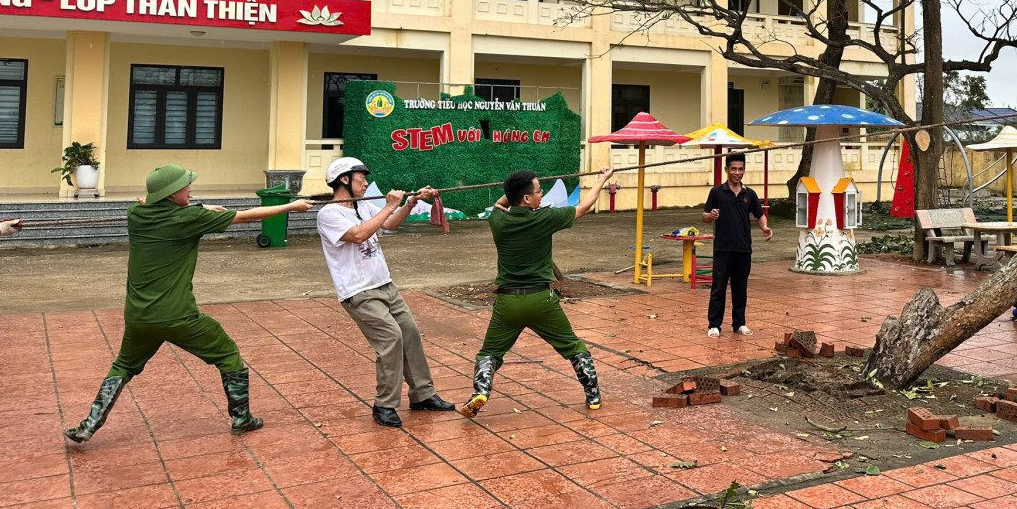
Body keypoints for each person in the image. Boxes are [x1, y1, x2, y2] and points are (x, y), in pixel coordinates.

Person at [64, 165, 312, 445]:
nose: (190, 189)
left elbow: (164, 207)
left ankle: (89, 423)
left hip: (139, 317)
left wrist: (205, 207)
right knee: (229, 355)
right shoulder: (190, 218)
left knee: (123, 366)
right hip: (178, 315)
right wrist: (292, 206)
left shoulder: (136, 214)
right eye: (186, 187)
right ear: (171, 194)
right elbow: (245, 217)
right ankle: (242, 418)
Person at [460, 166, 617, 418]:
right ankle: (594, 396)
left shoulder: (497, 220)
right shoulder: (544, 218)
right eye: (537, 191)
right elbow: (584, 207)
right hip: (541, 301)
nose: (541, 195)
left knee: (489, 353)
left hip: (507, 302)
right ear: (525, 198)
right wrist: (601, 180)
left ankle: (481, 391)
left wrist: (513, 188)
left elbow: (502, 203)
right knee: (574, 347)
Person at [316, 158, 456, 427]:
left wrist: (410, 202)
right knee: (391, 338)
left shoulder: (365, 205)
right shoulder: (329, 214)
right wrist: (390, 204)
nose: (366, 183)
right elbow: (358, 235)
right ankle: (384, 405)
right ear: (344, 180)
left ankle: (423, 395)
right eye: (361, 179)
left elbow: (389, 224)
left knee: (410, 332)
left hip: (384, 283)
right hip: (358, 291)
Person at [701, 153, 773, 337]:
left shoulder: (749, 193)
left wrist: (764, 227)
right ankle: (714, 325)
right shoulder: (717, 192)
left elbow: (759, 214)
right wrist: (711, 216)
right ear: (726, 170)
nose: (737, 172)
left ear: (744, 170)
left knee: (740, 288)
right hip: (723, 248)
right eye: (733, 169)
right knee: (719, 287)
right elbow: (705, 216)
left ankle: (739, 323)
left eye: (740, 169)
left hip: (743, 249)